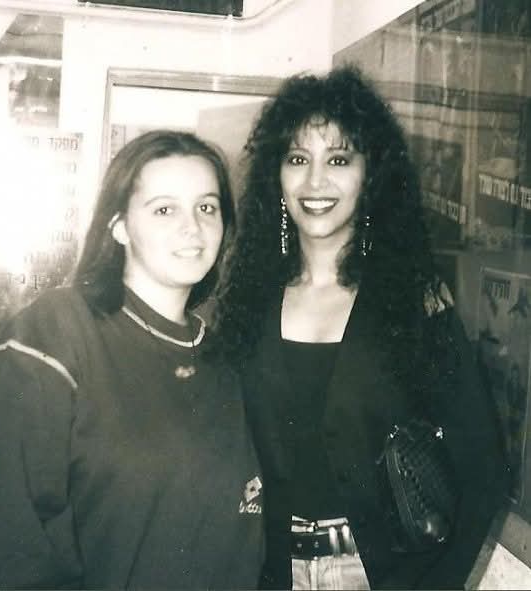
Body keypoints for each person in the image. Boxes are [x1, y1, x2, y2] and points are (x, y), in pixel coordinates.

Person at [214, 65, 506, 590]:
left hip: (380, 575)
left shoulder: (415, 302)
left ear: (371, 175)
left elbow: (483, 467)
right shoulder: (246, 304)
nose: (315, 181)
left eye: (339, 159)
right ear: (276, 176)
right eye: (297, 159)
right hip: (267, 572)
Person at [0, 130, 264, 589]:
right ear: (118, 225)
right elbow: (4, 536)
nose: (192, 228)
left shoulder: (226, 357)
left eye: (207, 207)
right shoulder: (56, 330)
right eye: (164, 209)